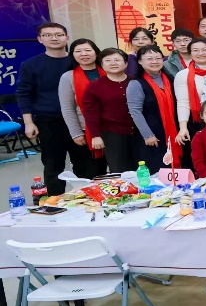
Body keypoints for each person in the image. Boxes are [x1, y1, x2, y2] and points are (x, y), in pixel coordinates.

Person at [17, 22, 76, 195]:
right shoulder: (30, 65)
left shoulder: (77, 61)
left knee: (85, 163)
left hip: (79, 120)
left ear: (67, 38)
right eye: (48, 35)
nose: (54, 38)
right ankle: (55, 202)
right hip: (49, 120)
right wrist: (28, 122)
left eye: (58, 34)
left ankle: (90, 201)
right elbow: (24, 94)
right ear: (40, 39)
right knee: (53, 165)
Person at [126, 45, 182, 172]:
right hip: (152, 135)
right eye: (149, 59)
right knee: (157, 170)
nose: (155, 61)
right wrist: (148, 135)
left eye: (158, 58)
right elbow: (135, 112)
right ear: (140, 61)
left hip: (173, 133)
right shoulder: (136, 83)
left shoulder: (170, 79)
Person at [57, 38, 107, 180]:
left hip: (111, 129)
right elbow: (67, 107)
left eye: (87, 50)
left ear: (96, 52)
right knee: (89, 172)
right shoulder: (68, 77)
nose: (83, 54)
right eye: (78, 51)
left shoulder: (108, 71)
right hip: (85, 130)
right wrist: (76, 133)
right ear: (72, 55)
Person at [80, 48, 136, 173]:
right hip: (112, 134)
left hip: (139, 133)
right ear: (102, 64)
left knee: (143, 168)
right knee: (119, 170)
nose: (113, 63)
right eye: (108, 60)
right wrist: (95, 136)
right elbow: (90, 113)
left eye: (117, 60)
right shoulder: (95, 86)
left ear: (126, 63)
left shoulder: (135, 81)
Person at [173, 37, 206, 170]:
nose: (200, 53)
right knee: (197, 159)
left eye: (204, 49)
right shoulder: (183, 75)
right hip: (196, 121)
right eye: (195, 50)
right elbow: (183, 102)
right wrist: (183, 127)